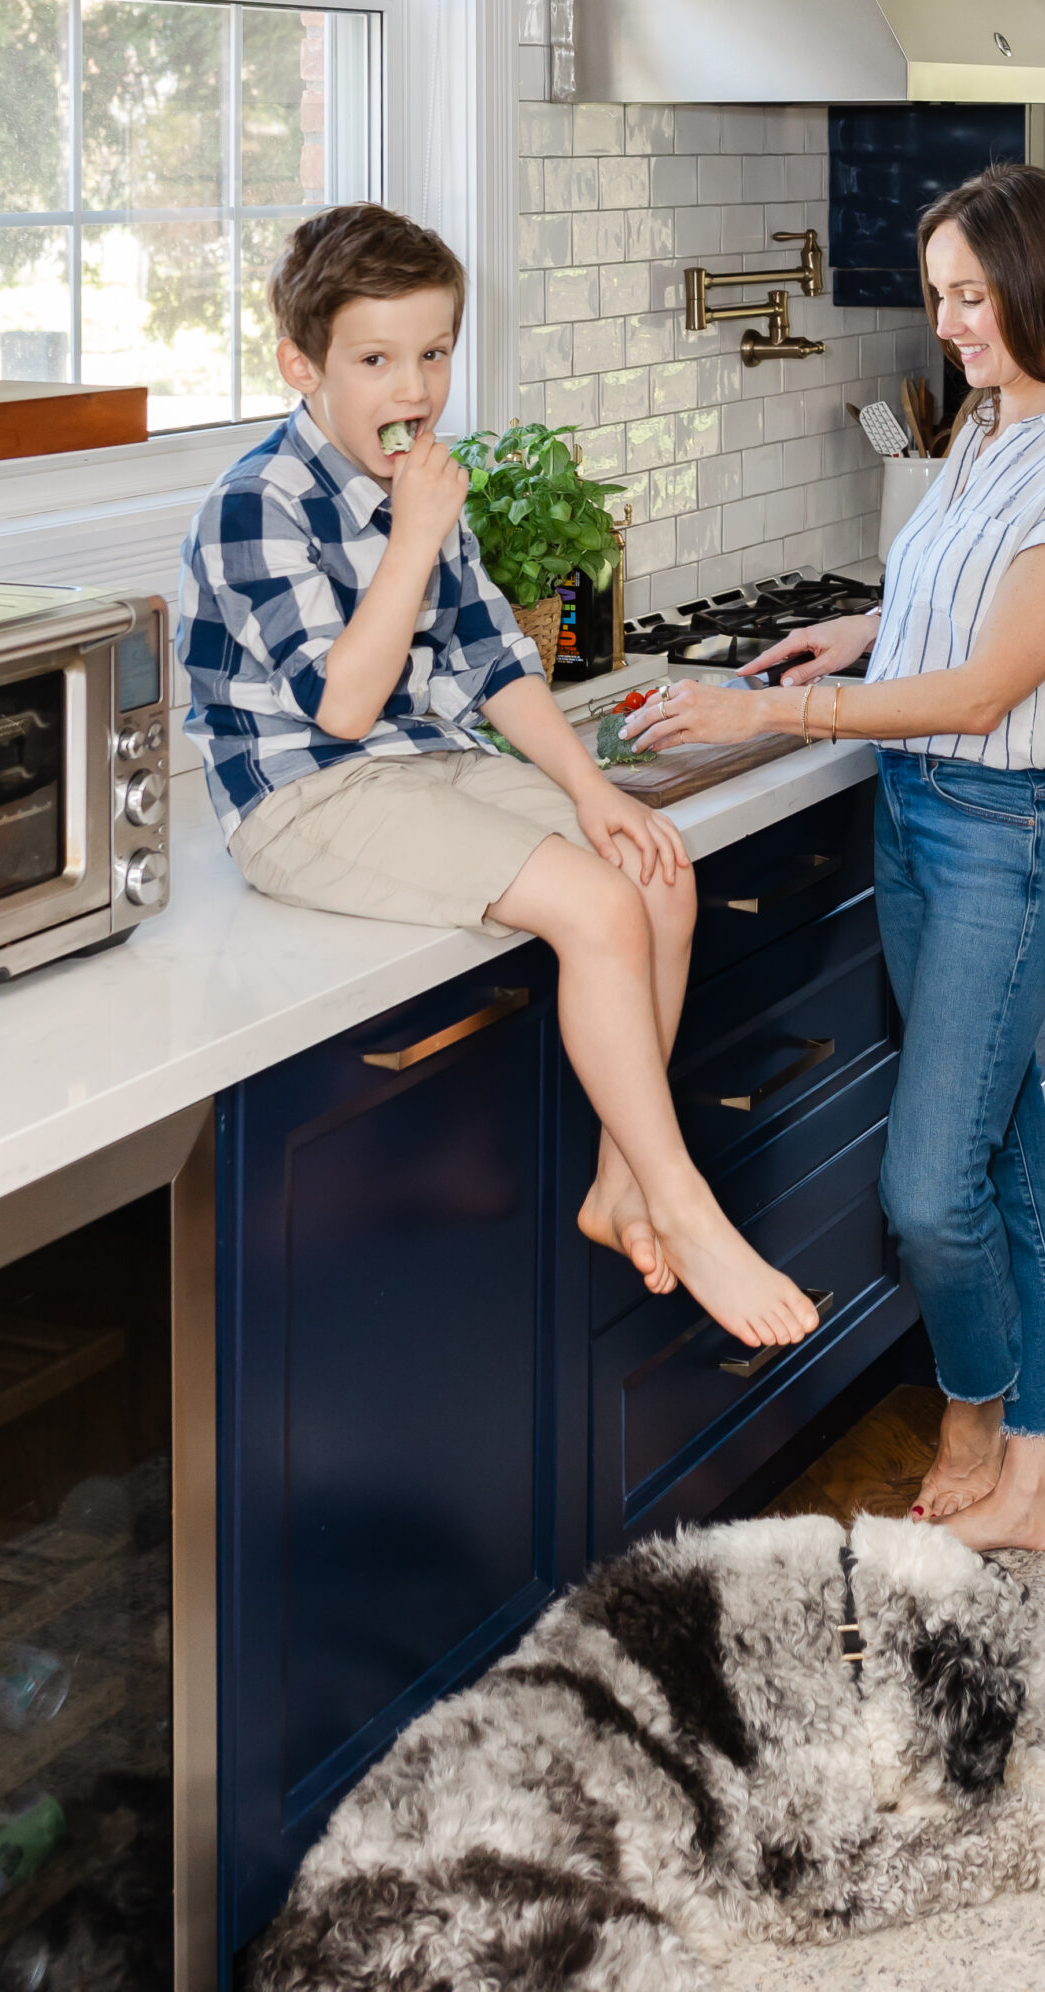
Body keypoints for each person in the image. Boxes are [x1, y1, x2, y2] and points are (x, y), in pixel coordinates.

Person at [626, 164, 1045, 1551]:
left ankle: (978, 1410)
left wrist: (769, 707)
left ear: (1042, 285)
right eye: (939, 298)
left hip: (1009, 837)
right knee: (1006, 1150)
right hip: (920, 821)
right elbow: (958, 604)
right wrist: (863, 633)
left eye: (973, 296)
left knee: (930, 1187)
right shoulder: (988, 430)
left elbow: (990, 688)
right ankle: (1039, 1477)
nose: (952, 325)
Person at [177, 201, 819, 1353]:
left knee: (652, 870)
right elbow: (341, 704)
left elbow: (489, 657)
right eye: (375, 360)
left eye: (431, 354)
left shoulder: (424, 480)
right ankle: (683, 1203)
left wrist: (592, 790)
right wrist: (417, 531)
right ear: (301, 364)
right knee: (595, 907)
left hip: (424, 766)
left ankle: (621, 1181)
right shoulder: (256, 504)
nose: (412, 386)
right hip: (301, 797)